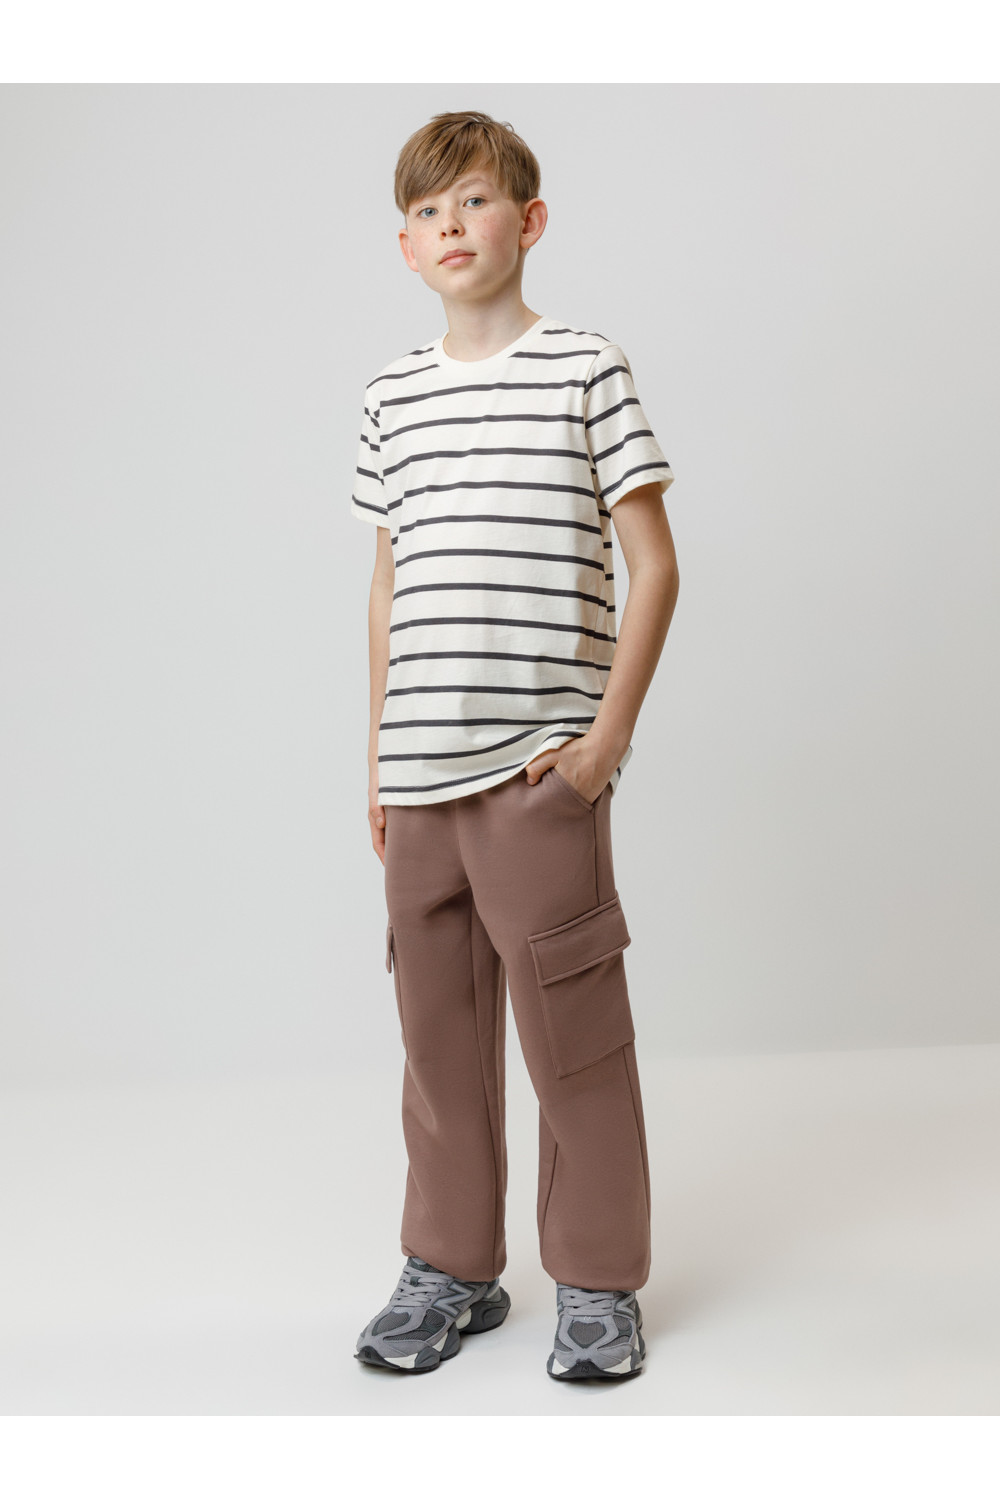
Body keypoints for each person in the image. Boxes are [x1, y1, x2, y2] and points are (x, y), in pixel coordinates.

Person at [350, 110, 680, 1381]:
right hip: (417, 778)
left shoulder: (585, 369)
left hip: (538, 769)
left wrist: (599, 748)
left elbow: (653, 565)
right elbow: (388, 586)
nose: (452, 227)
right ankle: (450, 1268)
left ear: (527, 221)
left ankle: (597, 1279)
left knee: (573, 1034)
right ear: (404, 246)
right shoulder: (390, 398)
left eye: (475, 201)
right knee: (437, 1045)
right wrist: (374, 760)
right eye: (427, 212)